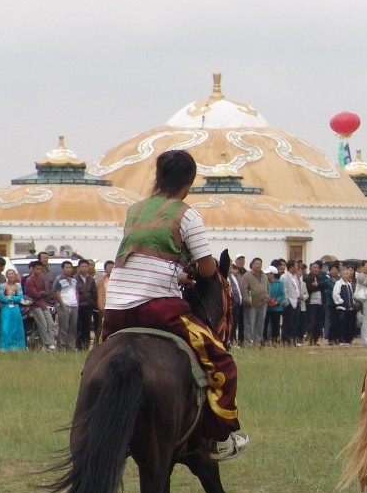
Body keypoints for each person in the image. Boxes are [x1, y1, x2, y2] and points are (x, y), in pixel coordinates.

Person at [102, 149, 248, 461]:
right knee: (222, 362)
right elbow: (209, 270)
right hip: (158, 308)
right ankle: (219, 438)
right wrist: (192, 271)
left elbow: (143, 257)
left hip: (115, 310)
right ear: (190, 181)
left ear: (158, 177)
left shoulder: (135, 210)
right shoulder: (187, 214)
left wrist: (177, 273)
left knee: (98, 361)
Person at [24, 261, 56, 349]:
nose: (39, 271)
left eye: (40, 269)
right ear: (33, 269)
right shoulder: (29, 280)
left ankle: (51, 342)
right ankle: (45, 344)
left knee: (50, 323)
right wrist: (41, 293)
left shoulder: (41, 279)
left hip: (43, 304)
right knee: (43, 324)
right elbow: (34, 294)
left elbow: (46, 292)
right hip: (34, 305)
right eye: (37, 269)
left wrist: (41, 293)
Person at [240, 257, 269, 347]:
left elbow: (267, 287)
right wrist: (246, 300)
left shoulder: (264, 275)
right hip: (251, 304)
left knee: (260, 324)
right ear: (252, 264)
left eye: (260, 264)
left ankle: (257, 342)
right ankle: (248, 342)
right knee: (250, 324)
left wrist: (267, 296)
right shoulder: (247, 276)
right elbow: (243, 289)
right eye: (256, 264)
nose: (258, 265)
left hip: (263, 303)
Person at [0, 269, 26, 351]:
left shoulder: (18, 286)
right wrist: (12, 298)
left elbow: (20, 297)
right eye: (9, 274)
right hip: (6, 308)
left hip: (16, 308)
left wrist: (9, 297)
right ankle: (3, 346)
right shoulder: (2, 286)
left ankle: (17, 346)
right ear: (6, 276)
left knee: (16, 326)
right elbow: (1, 297)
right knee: (4, 327)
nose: (11, 276)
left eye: (12, 274)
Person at [53, 260, 79, 350]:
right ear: (63, 269)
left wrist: (77, 302)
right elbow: (57, 293)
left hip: (74, 305)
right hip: (64, 305)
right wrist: (62, 305)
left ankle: (71, 347)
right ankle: (61, 347)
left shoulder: (74, 280)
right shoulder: (59, 280)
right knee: (63, 327)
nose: (68, 270)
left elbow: (76, 292)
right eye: (66, 268)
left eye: (70, 268)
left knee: (73, 328)